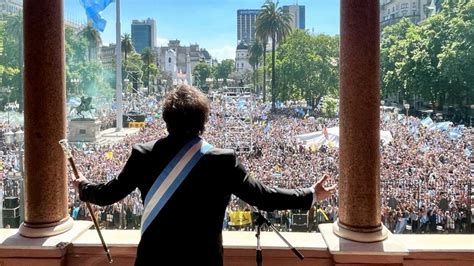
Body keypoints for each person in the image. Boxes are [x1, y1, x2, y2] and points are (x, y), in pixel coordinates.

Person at [73, 84, 337, 266]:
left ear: (166, 119)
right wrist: (311, 195)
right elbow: (264, 197)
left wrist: (84, 187)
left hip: (154, 259)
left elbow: (109, 194)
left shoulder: (143, 154)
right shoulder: (222, 161)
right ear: (203, 121)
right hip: (203, 260)